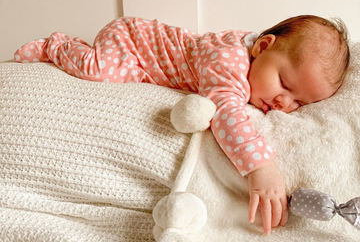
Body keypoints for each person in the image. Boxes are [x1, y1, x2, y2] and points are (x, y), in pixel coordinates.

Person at [13, 15, 350, 234]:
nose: (283, 103)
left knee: (131, 79)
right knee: (100, 71)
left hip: (147, 58)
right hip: (132, 42)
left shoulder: (256, 60)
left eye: (299, 103)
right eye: (284, 84)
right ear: (262, 47)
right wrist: (260, 166)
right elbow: (224, 112)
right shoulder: (229, 64)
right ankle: (56, 45)